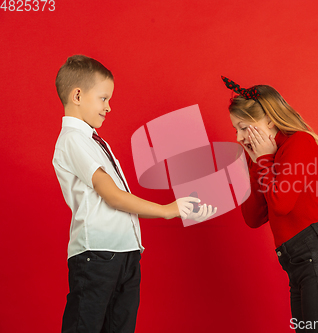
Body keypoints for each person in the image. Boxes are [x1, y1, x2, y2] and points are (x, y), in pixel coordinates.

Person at [53, 55, 217, 333]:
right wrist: (167, 210)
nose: (109, 107)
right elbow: (112, 195)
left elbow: (121, 199)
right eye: (103, 98)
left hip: (125, 251)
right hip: (98, 254)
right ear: (77, 95)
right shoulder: (73, 139)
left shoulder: (93, 141)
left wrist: (179, 209)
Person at [222, 77, 318, 333]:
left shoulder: (300, 143)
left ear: (269, 121)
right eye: (235, 130)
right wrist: (255, 163)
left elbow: (281, 204)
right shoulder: (268, 159)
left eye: (243, 127)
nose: (238, 137)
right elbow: (253, 218)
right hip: (299, 265)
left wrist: (263, 160)